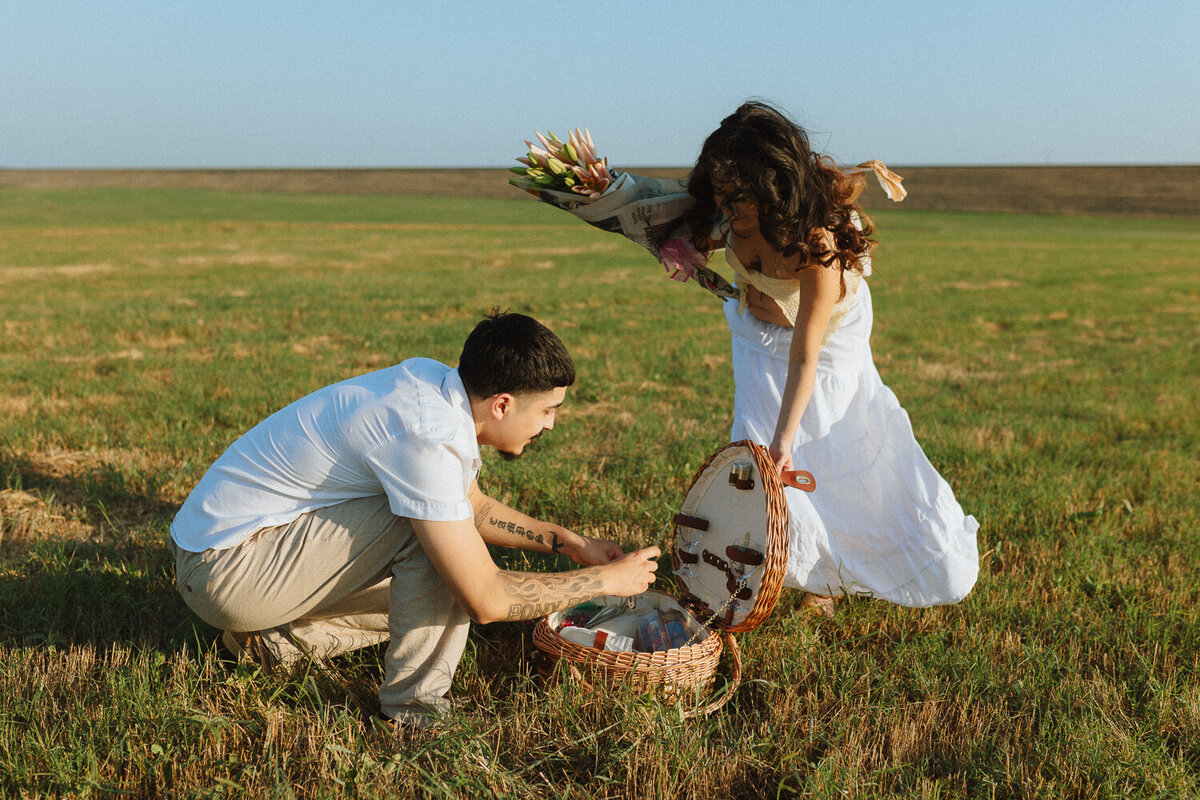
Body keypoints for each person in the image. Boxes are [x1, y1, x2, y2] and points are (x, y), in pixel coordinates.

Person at [169, 311, 660, 728]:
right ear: (502, 405)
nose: (550, 424)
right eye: (549, 410)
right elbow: (485, 599)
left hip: (238, 553)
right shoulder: (426, 434)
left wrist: (570, 543)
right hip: (227, 570)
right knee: (439, 547)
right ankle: (414, 713)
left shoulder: (439, 387)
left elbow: (473, 506)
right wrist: (605, 581)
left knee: (442, 533)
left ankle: (274, 643)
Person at [674, 102, 979, 614]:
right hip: (754, 337)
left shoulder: (818, 244)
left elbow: (806, 355)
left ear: (772, 187)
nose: (728, 205)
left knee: (832, 450)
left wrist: (784, 440)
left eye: (739, 195)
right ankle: (793, 568)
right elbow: (672, 222)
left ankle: (840, 568)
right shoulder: (727, 210)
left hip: (826, 350)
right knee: (756, 450)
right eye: (721, 192)